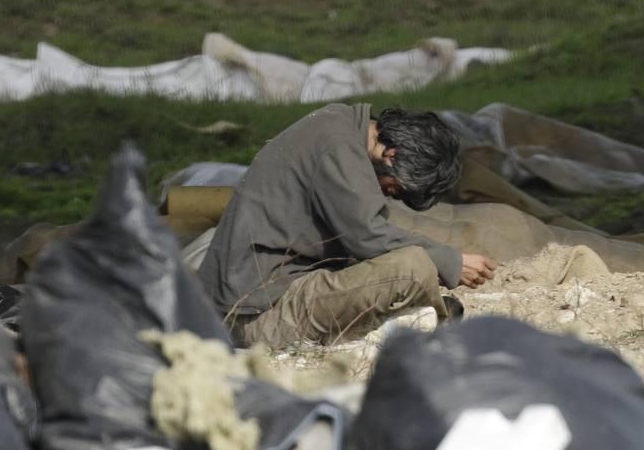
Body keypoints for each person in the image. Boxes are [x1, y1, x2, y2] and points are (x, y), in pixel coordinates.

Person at [198, 103, 497, 346]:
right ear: (392, 155)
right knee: (412, 267)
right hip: (255, 316)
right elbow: (369, 238)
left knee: (407, 264)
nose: (387, 194)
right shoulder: (338, 148)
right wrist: (449, 262)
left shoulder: (340, 126)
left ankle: (416, 315)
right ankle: (430, 319)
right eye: (394, 189)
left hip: (263, 297)